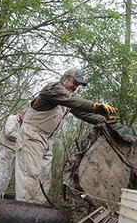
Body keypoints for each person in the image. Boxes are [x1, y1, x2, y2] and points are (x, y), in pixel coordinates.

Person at [15, 68, 118, 204]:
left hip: (46, 140)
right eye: (74, 83)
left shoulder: (67, 99)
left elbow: (82, 112)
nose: (75, 87)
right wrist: (94, 106)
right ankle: (23, 214)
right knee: (30, 176)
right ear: (65, 78)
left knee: (44, 177)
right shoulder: (53, 89)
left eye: (78, 85)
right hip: (32, 136)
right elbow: (75, 101)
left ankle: (37, 211)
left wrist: (105, 120)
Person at [0, 111, 25, 198]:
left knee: (7, 177)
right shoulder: (12, 118)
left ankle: (0, 198)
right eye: (26, 115)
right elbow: (9, 132)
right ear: (22, 113)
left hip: (14, 152)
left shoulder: (23, 124)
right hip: (5, 149)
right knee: (1, 176)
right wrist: (23, 138)